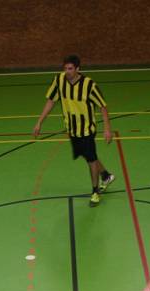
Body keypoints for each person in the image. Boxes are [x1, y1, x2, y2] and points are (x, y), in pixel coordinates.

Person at [33, 54, 115, 208]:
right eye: (65, 68)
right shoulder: (59, 81)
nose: (67, 72)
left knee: (90, 159)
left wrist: (107, 129)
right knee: (87, 155)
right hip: (72, 129)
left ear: (78, 69)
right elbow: (51, 101)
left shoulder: (89, 85)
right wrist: (39, 122)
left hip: (87, 129)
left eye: (70, 69)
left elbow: (103, 106)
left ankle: (95, 192)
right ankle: (106, 175)